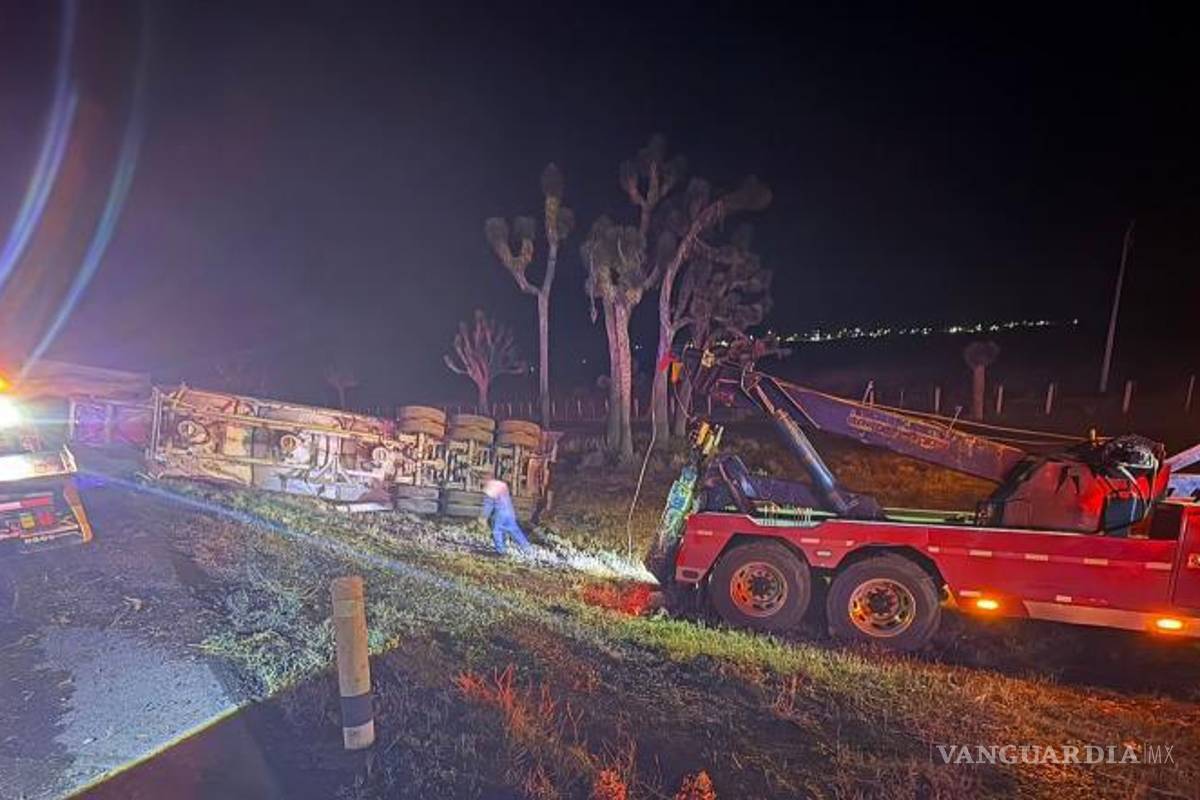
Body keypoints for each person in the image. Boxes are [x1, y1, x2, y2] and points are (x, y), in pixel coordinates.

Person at [482, 479, 532, 556]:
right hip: (509, 512)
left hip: (500, 513)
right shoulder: (503, 488)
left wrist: (484, 517)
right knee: (515, 530)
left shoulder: (490, 489)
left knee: (497, 531)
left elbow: (488, 505)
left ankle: (501, 550)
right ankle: (527, 548)